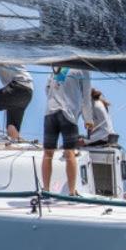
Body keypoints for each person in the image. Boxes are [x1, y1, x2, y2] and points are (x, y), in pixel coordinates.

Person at [42, 67, 93, 195]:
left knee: (48, 153)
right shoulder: (82, 69)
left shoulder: (55, 67)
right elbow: (86, 97)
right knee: (70, 153)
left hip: (50, 112)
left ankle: (46, 190)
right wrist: (88, 119)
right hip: (68, 114)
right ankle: (71, 192)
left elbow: (47, 88)